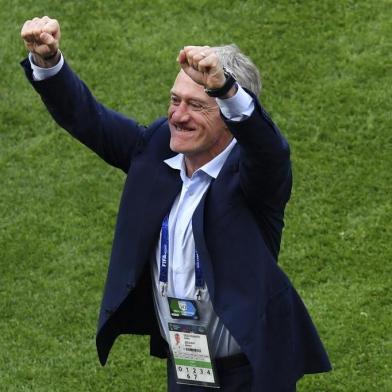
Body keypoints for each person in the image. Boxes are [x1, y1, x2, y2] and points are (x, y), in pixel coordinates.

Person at [20, 16, 331, 392]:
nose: (177, 116)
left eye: (197, 106)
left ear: (229, 116)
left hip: (250, 373)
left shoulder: (254, 178)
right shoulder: (154, 148)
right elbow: (90, 120)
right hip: (187, 364)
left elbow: (270, 151)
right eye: (174, 100)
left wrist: (227, 90)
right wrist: (48, 63)